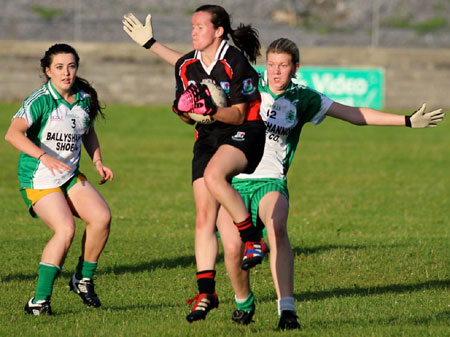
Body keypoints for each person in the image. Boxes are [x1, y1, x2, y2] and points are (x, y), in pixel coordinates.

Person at [215, 37, 445, 330]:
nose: (275, 72)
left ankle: (287, 310)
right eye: (271, 65)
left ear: (295, 67)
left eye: (283, 66)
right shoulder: (247, 84)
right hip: (232, 180)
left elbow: (354, 114)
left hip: (270, 179)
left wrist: (407, 121)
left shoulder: (304, 98)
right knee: (234, 249)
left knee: (278, 230)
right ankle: (243, 301)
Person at [123, 5, 267, 323]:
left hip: (246, 131)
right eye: (192, 25)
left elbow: (239, 114)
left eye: (200, 26)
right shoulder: (187, 65)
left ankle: (254, 239)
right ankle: (207, 292)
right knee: (205, 218)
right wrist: (188, 110)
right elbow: (189, 114)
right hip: (209, 137)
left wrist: (211, 109)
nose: (193, 30)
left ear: (218, 31)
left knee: (215, 175)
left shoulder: (235, 61)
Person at [5, 43, 114, 316]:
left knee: (101, 218)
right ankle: (39, 302)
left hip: (68, 175)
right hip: (38, 178)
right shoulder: (40, 100)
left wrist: (98, 161)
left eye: (71, 66)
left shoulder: (84, 98)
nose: (67, 72)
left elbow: (87, 131)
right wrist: (43, 157)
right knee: (65, 229)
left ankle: (82, 279)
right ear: (48, 71)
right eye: (59, 67)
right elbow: (13, 134)